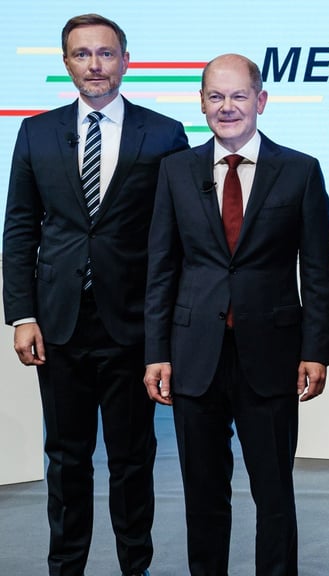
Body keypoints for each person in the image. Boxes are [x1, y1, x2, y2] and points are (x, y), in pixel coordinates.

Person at [2, 13, 188, 576]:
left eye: (106, 53)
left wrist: (169, 327)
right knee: (66, 458)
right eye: (82, 55)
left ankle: (137, 566)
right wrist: (22, 315)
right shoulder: (35, 132)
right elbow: (20, 228)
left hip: (132, 324)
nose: (95, 65)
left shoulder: (163, 134)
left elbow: (176, 236)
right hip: (58, 325)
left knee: (133, 460)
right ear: (66, 64)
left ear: (126, 60)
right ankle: (66, 568)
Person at [143, 53, 329, 575]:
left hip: (271, 357)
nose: (227, 107)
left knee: (274, 497)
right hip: (193, 357)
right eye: (215, 96)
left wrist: (316, 352)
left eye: (238, 96)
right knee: (203, 496)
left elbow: (317, 272)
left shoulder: (299, 171)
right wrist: (156, 352)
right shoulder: (176, 171)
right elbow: (161, 267)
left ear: (261, 101)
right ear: (201, 103)